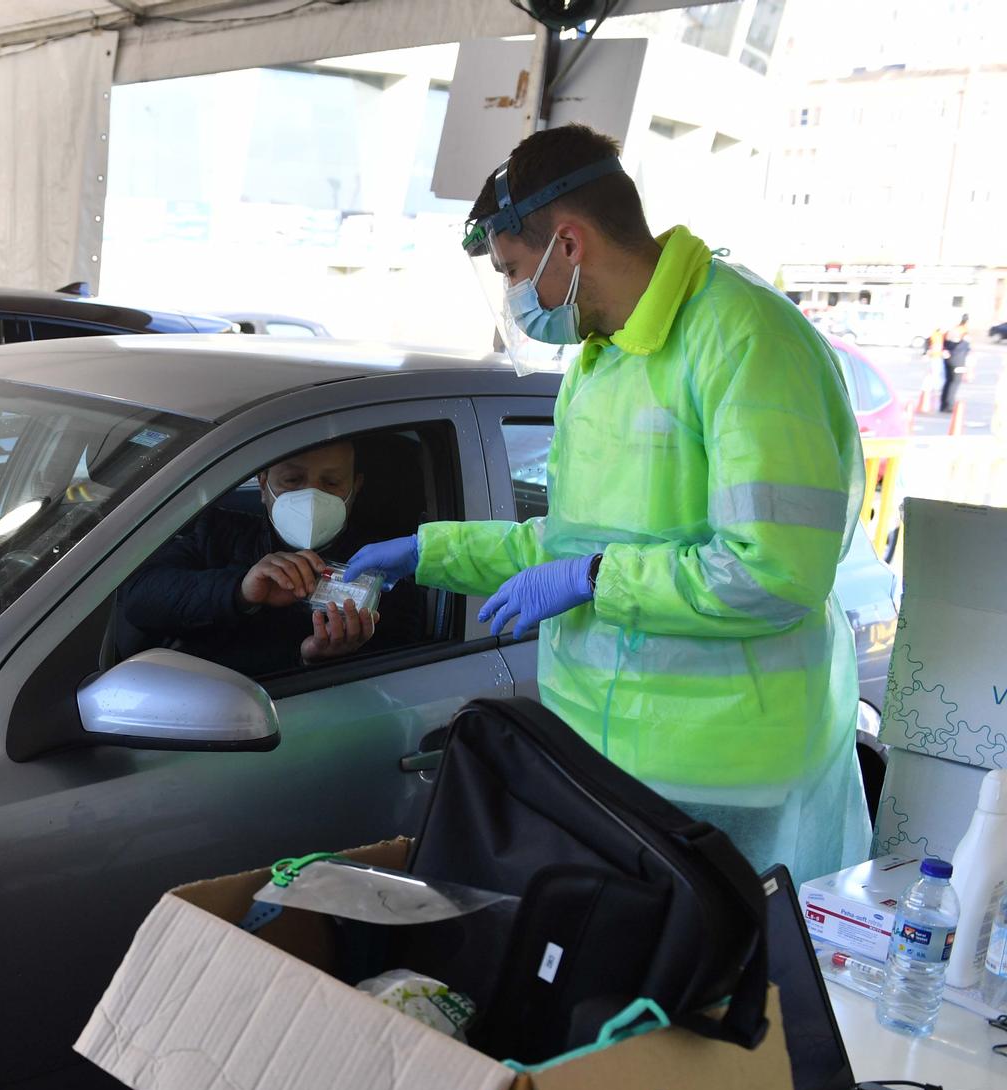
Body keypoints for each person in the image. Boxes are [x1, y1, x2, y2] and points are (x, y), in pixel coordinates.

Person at [346, 124, 866, 881]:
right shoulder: (604, 358)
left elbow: (774, 573)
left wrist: (593, 579)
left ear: (570, 243)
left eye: (515, 270)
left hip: (724, 776)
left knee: (724, 994)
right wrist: (427, 552)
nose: (517, 299)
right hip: (600, 758)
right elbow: (568, 545)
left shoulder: (745, 339)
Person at [118, 436, 423, 678]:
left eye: (331, 484)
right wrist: (239, 591)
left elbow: (407, 662)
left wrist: (314, 659)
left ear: (354, 488)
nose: (312, 497)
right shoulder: (217, 532)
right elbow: (138, 598)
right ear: (263, 484)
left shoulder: (385, 567)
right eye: (292, 480)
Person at [941, 315, 970, 413]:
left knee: (948, 381)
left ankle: (943, 404)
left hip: (948, 359)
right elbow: (964, 348)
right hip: (958, 360)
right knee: (954, 382)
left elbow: (945, 343)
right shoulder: (963, 331)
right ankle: (949, 405)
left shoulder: (951, 330)